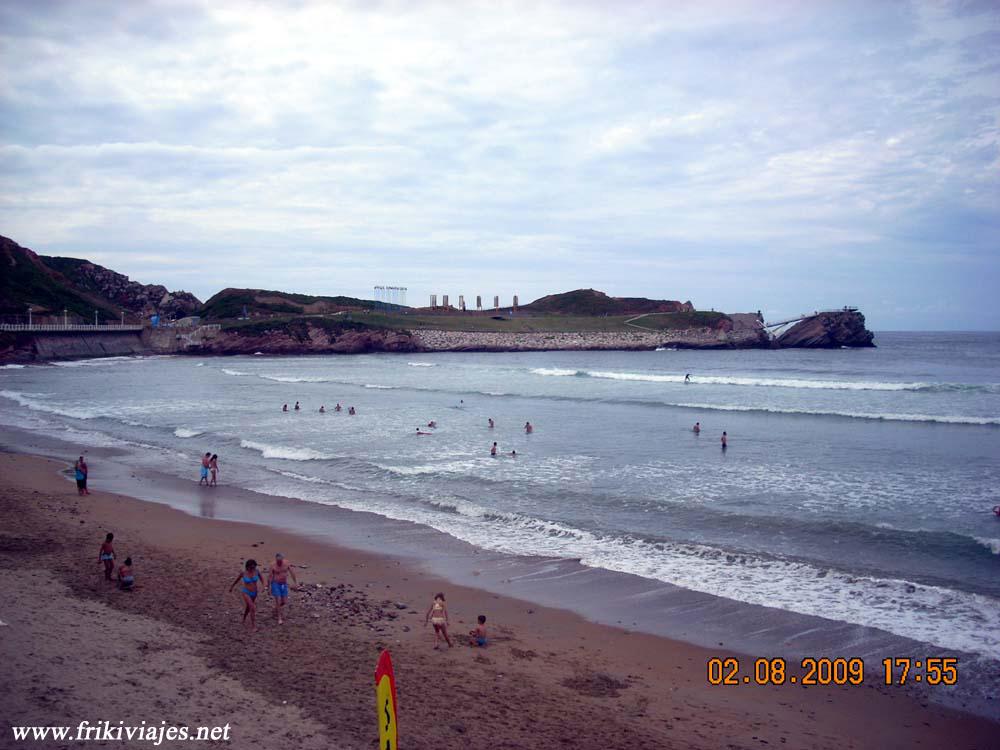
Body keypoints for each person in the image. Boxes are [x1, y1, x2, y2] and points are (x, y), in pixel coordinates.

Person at [229, 559, 263, 631]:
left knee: (248, 607)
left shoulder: (256, 571)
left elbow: (262, 579)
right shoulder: (243, 573)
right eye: (251, 567)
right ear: (247, 567)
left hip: (254, 592)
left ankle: (243, 618)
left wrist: (265, 587)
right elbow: (237, 580)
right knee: (252, 607)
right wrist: (232, 587)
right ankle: (253, 626)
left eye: (253, 567)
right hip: (246, 592)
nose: (252, 569)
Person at [268, 553, 298, 625]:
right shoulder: (272, 565)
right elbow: (270, 576)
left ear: (283, 559)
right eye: (278, 561)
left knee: (284, 601)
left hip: (283, 584)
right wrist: (269, 586)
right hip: (275, 584)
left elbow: (292, 572)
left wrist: (295, 582)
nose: (279, 562)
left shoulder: (286, 563)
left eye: (280, 561)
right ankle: (279, 618)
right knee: (278, 600)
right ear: (276, 559)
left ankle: (275, 609)